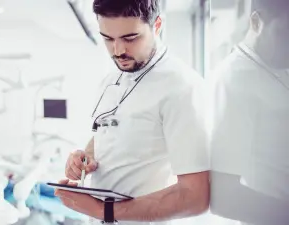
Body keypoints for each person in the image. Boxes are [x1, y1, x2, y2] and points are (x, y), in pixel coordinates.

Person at [54, 0, 210, 224]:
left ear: (156, 25)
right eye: (108, 38)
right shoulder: (112, 79)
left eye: (130, 38)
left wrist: (103, 211)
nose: (118, 51)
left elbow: (195, 197)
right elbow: (108, 132)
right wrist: (84, 158)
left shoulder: (182, 87)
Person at [208, 0, 289, 224]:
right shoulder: (234, 79)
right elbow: (224, 198)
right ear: (255, 22)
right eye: (285, 33)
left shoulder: (278, 66)